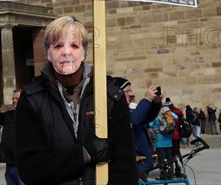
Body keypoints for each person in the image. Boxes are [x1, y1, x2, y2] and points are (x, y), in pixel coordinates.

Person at [14, 16, 138, 185]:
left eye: (74, 45)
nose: (66, 52)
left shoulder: (110, 95)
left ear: (84, 52)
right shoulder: (32, 99)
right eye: (58, 46)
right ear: (48, 53)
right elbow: (30, 168)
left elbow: (125, 165)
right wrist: (84, 154)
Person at [114, 77, 162, 181]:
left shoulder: (127, 109)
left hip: (142, 162)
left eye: (130, 90)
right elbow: (134, 120)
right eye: (127, 91)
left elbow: (147, 118)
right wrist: (146, 99)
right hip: (133, 164)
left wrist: (156, 103)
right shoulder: (116, 111)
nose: (130, 94)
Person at [0, 90, 24, 185]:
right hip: (9, 161)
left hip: (23, 162)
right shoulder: (9, 114)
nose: (14, 101)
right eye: (13, 98)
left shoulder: (29, 115)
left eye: (17, 98)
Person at [149, 106, 177, 180]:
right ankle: (170, 174)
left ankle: (163, 175)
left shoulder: (157, 116)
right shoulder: (168, 114)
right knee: (169, 158)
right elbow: (176, 117)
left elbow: (150, 124)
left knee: (161, 159)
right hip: (168, 141)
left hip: (159, 142)